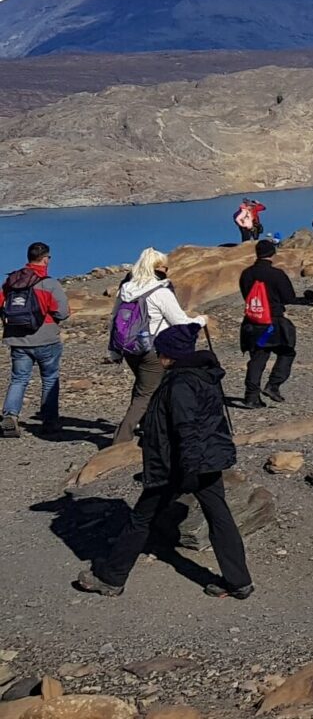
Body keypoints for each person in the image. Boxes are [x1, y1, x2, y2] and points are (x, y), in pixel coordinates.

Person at [76, 323, 253, 600]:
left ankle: (110, 578)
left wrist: (188, 469)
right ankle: (239, 582)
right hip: (208, 459)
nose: (158, 358)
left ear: (173, 355)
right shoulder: (203, 375)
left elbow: (185, 428)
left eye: (161, 353)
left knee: (140, 519)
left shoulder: (180, 383)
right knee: (219, 516)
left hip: (179, 464)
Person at [111, 248, 209, 445]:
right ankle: (121, 439)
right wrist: (200, 320)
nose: (167, 270)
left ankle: (147, 424)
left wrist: (113, 350)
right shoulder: (160, 291)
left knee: (143, 385)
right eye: (166, 267)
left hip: (130, 346)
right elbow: (179, 321)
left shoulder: (126, 289)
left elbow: (114, 319)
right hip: (153, 348)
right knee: (146, 392)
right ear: (158, 268)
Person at [2, 242, 69, 439]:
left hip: (17, 339)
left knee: (18, 379)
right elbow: (63, 312)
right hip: (46, 338)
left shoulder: (11, 281)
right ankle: (50, 422)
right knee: (49, 379)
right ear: (45, 258)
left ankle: (10, 415)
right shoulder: (49, 283)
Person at [237, 239, 297, 409]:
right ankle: (273, 385)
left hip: (252, 322)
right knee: (286, 351)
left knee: (258, 357)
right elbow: (288, 297)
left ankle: (251, 397)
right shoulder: (276, 274)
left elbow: (245, 295)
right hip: (272, 324)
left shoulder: (246, 274)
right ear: (272, 254)